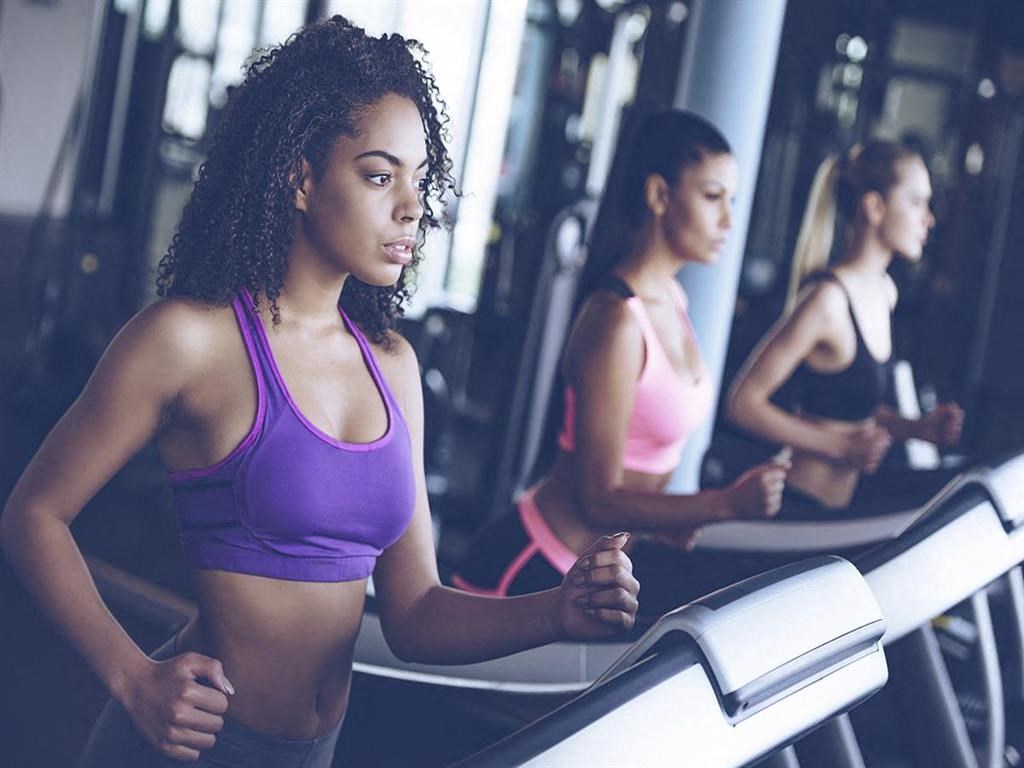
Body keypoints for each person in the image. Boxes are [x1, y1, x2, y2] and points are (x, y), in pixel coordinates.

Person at [0, 17, 639, 768]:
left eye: (418, 176)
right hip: (187, 747)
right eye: (378, 174)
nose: (411, 206)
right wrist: (135, 677)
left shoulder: (392, 367)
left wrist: (557, 611)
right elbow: (33, 514)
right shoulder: (189, 341)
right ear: (300, 178)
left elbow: (414, 614)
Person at [453, 110, 787, 602]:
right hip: (532, 567)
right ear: (658, 195)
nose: (728, 221)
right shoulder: (616, 321)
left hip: (593, 576)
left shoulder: (672, 300)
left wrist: (664, 522)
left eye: (731, 200)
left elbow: (640, 465)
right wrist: (723, 504)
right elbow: (599, 500)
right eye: (713, 197)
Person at [726, 140, 964, 517]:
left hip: (839, 511)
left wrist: (918, 428)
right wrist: (839, 449)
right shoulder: (827, 301)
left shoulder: (885, 291)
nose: (929, 219)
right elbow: (743, 404)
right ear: (874, 207)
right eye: (917, 202)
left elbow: (855, 408)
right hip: (797, 507)